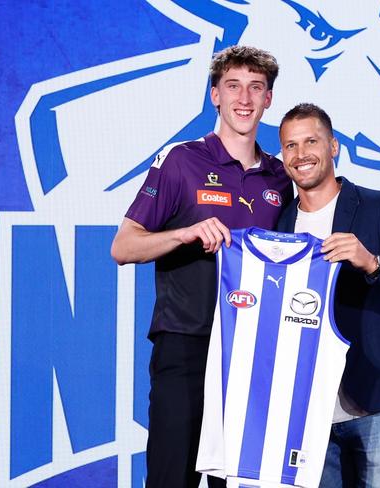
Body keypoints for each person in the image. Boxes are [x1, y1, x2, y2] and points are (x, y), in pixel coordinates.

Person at [111, 46, 292, 488]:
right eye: (233, 86)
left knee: (244, 481)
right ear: (215, 95)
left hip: (254, 353)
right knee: (173, 477)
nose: (244, 98)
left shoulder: (279, 177)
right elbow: (123, 246)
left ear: (269, 99)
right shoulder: (182, 160)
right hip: (187, 343)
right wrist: (183, 233)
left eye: (256, 87)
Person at [276, 103, 380, 488]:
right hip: (307, 412)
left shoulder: (379, 205)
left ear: (333, 146)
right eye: (290, 146)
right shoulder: (280, 222)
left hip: (375, 402)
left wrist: (373, 263)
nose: (301, 155)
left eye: (311, 141)